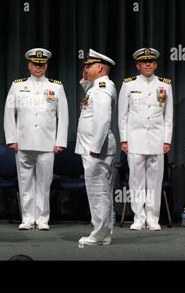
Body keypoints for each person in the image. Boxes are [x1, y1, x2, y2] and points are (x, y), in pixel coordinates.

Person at [4, 48, 68, 230]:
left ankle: (42, 219)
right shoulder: (17, 85)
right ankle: (27, 218)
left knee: (44, 183)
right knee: (25, 182)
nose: (38, 67)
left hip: (47, 143)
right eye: (35, 64)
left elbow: (63, 115)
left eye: (41, 64)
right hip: (23, 141)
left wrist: (60, 141)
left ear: (46, 65)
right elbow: (9, 113)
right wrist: (11, 138)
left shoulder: (56, 86)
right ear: (29, 65)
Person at [118, 47, 173, 231]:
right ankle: (138, 218)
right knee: (136, 181)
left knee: (155, 182)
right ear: (138, 65)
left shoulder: (165, 85)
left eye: (151, 62)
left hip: (157, 139)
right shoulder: (128, 84)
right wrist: (123, 139)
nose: (148, 64)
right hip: (135, 139)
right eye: (144, 62)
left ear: (155, 64)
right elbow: (122, 115)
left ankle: (153, 218)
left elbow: (168, 116)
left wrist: (167, 140)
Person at [75, 49, 117, 245]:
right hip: (92, 146)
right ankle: (103, 231)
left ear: (99, 67)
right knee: (99, 189)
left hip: (95, 148)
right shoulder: (97, 87)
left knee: (98, 190)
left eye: (88, 65)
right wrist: (85, 80)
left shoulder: (102, 88)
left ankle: (100, 234)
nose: (85, 68)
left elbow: (102, 120)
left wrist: (95, 147)